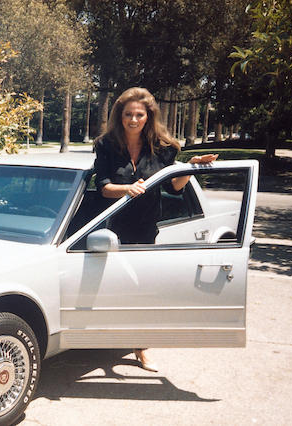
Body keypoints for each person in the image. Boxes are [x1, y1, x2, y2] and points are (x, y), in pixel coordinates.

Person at [93, 87, 217, 372]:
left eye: (140, 115)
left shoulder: (164, 148)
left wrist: (190, 167)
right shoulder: (106, 145)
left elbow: (174, 187)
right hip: (114, 227)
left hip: (146, 229)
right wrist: (127, 189)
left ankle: (142, 346)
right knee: (116, 288)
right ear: (119, 116)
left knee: (141, 289)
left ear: (149, 117)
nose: (134, 120)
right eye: (128, 115)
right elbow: (103, 187)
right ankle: (105, 337)